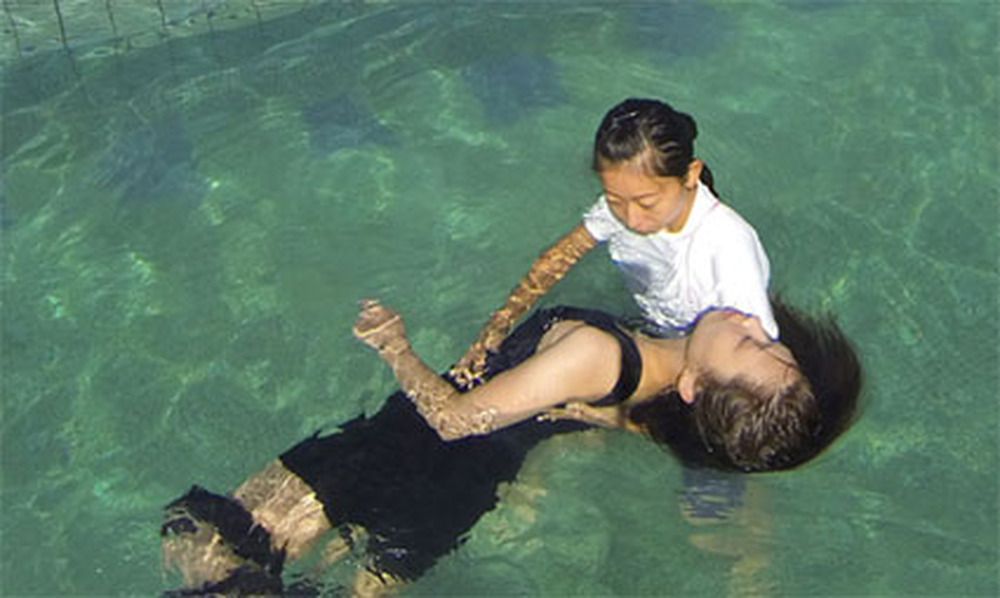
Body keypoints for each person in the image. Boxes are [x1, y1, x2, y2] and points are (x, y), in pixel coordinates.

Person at [161, 300, 860, 595]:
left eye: (749, 344)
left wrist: (395, 347)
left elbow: (453, 422)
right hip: (454, 499)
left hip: (409, 448)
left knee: (200, 536)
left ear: (696, 386)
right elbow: (596, 417)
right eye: (771, 342)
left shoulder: (599, 353)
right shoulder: (659, 398)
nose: (753, 323)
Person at [452, 97, 778, 388]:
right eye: (615, 200)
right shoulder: (620, 203)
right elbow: (561, 255)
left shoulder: (729, 246)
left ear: (691, 175)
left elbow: (756, 359)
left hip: (687, 361)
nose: (631, 219)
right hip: (647, 330)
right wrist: (498, 324)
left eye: (647, 203)